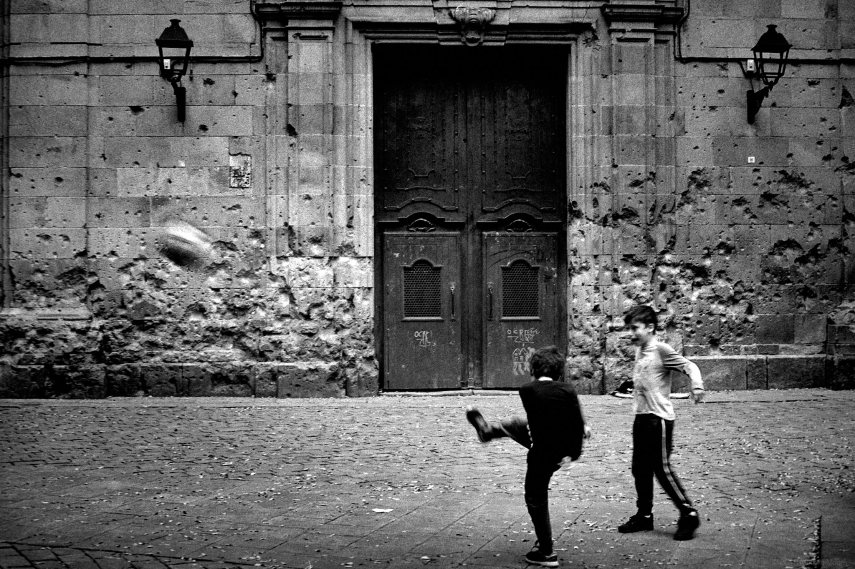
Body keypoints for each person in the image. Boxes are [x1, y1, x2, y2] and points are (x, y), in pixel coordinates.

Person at [465, 346, 592, 567]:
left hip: (541, 451)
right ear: (559, 373)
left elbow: (539, 403)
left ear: (531, 370)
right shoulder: (569, 391)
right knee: (517, 424)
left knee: (535, 498)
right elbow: (576, 419)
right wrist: (574, 453)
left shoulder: (527, 390)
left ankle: (547, 552)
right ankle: (487, 431)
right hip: (562, 448)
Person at [617, 305, 705, 541]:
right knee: (640, 469)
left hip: (659, 420)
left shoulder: (661, 349)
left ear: (650, 327)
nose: (631, 333)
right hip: (642, 417)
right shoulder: (641, 350)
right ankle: (644, 516)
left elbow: (690, 366)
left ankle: (689, 513)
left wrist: (696, 386)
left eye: (635, 328)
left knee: (662, 469)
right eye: (630, 328)